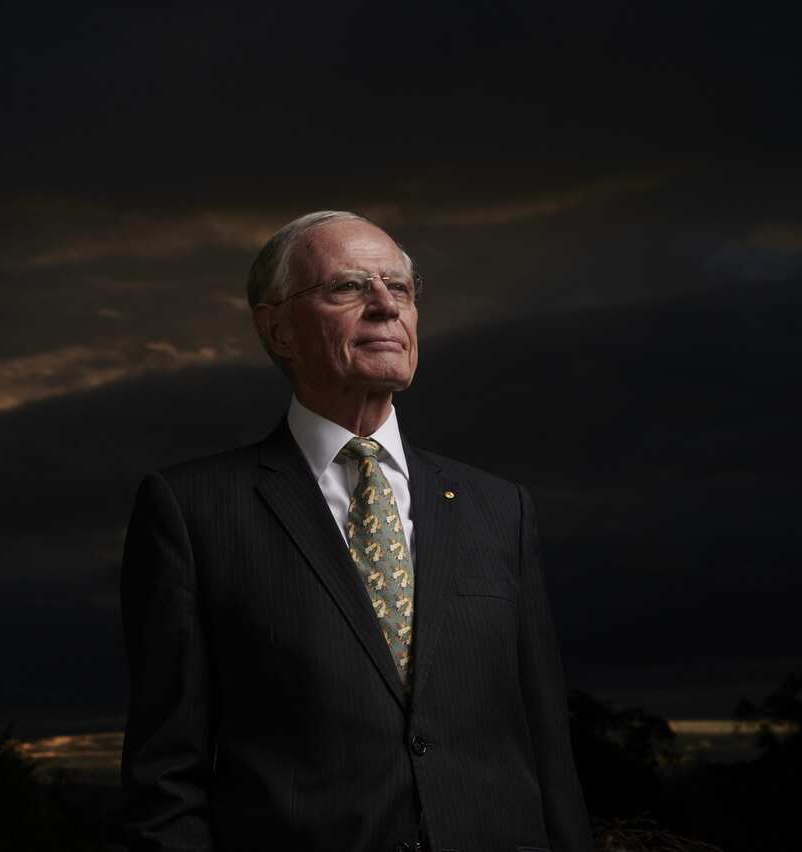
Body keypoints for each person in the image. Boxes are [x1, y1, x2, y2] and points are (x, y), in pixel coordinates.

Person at [118, 211, 593, 852]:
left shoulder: (500, 508)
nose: (385, 306)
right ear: (277, 329)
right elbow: (165, 779)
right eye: (348, 287)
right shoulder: (191, 510)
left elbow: (547, 747)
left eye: (399, 288)